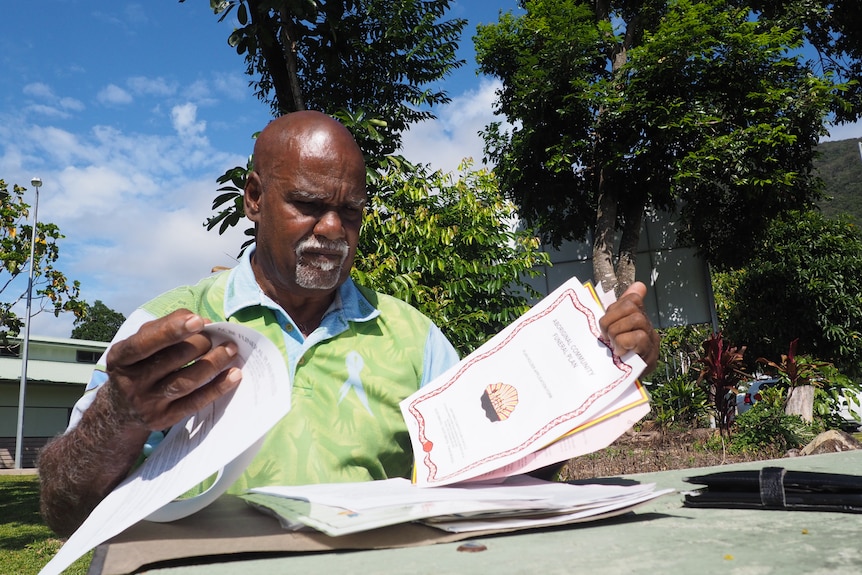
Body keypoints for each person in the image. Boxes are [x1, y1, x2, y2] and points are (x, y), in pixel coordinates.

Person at [38, 110, 660, 537]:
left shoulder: (414, 340)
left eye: (350, 212)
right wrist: (117, 416)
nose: (332, 230)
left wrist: (592, 383)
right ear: (254, 198)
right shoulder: (168, 331)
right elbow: (62, 512)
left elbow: (501, 481)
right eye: (308, 205)